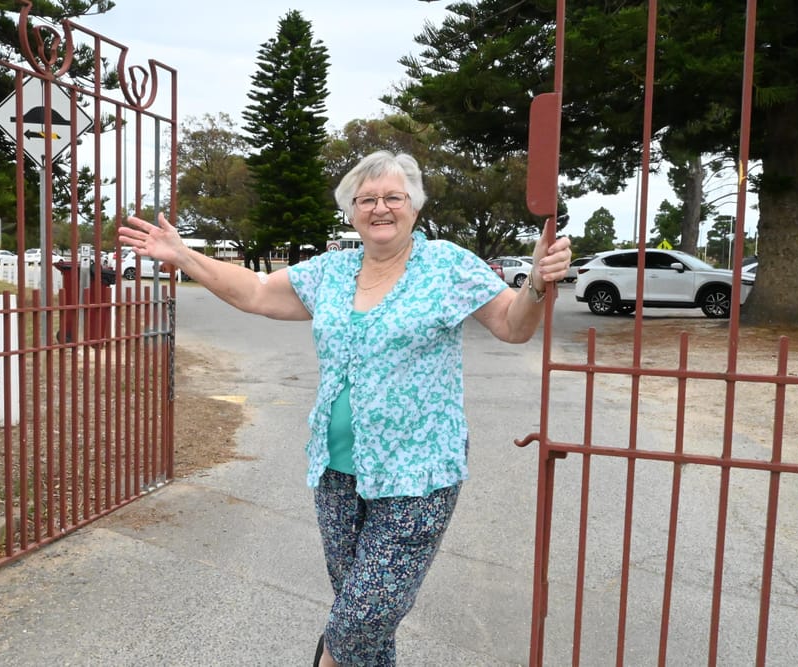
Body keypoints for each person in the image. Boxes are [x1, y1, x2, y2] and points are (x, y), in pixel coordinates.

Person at [118, 151, 571, 666]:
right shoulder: (331, 272)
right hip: (336, 472)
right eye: (367, 199)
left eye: (394, 197)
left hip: (417, 473)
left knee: (363, 615)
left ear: (415, 206)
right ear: (351, 211)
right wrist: (185, 256)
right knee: (361, 615)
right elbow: (257, 292)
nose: (381, 208)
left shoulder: (447, 266)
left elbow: (513, 325)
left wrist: (536, 283)